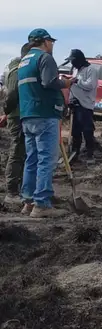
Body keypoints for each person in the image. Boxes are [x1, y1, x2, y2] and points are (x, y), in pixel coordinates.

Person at [17, 29, 72, 218]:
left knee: (31, 158)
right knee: (46, 159)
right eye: (51, 42)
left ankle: (28, 201)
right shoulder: (45, 58)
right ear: (45, 41)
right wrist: (65, 83)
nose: (52, 45)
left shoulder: (23, 61)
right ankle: (41, 204)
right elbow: (49, 82)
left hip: (28, 115)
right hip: (45, 113)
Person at [1, 43, 31, 208]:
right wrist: (8, 112)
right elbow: (12, 95)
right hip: (17, 116)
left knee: (23, 152)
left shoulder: (19, 68)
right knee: (17, 152)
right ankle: (12, 191)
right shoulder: (16, 70)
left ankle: (20, 187)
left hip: (22, 115)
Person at [66, 49, 99, 163]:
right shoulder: (75, 70)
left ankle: (90, 154)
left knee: (87, 130)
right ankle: (75, 152)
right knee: (75, 131)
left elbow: (90, 85)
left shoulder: (90, 70)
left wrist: (77, 81)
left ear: (79, 60)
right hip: (75, 103)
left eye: (73, 60)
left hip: (85, 104)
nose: (72, 63)